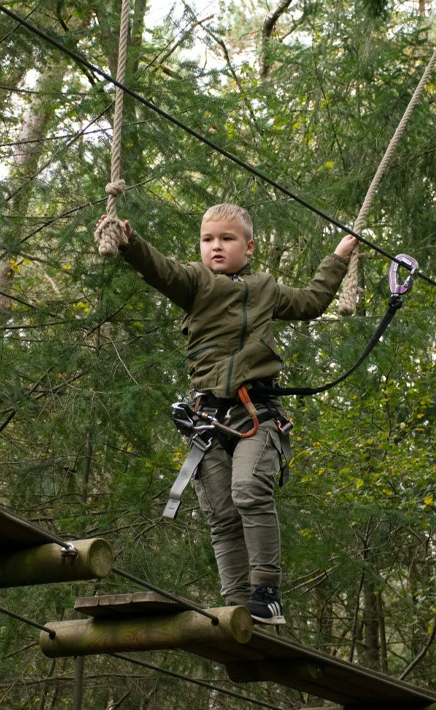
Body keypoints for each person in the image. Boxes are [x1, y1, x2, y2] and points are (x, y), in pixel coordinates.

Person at [102, 203, 358, 625]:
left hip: (256, 413)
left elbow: (312, 302)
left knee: (248, 491)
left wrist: (339, 257)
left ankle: (266, 591)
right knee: (221, 516)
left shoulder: (266, 289)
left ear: (249, 247)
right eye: (208, 240)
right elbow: (160, 270)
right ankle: (236, 604)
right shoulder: (195, 283)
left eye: (227, 239)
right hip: (207, 419)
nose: (216, 247)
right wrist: (130, 243)